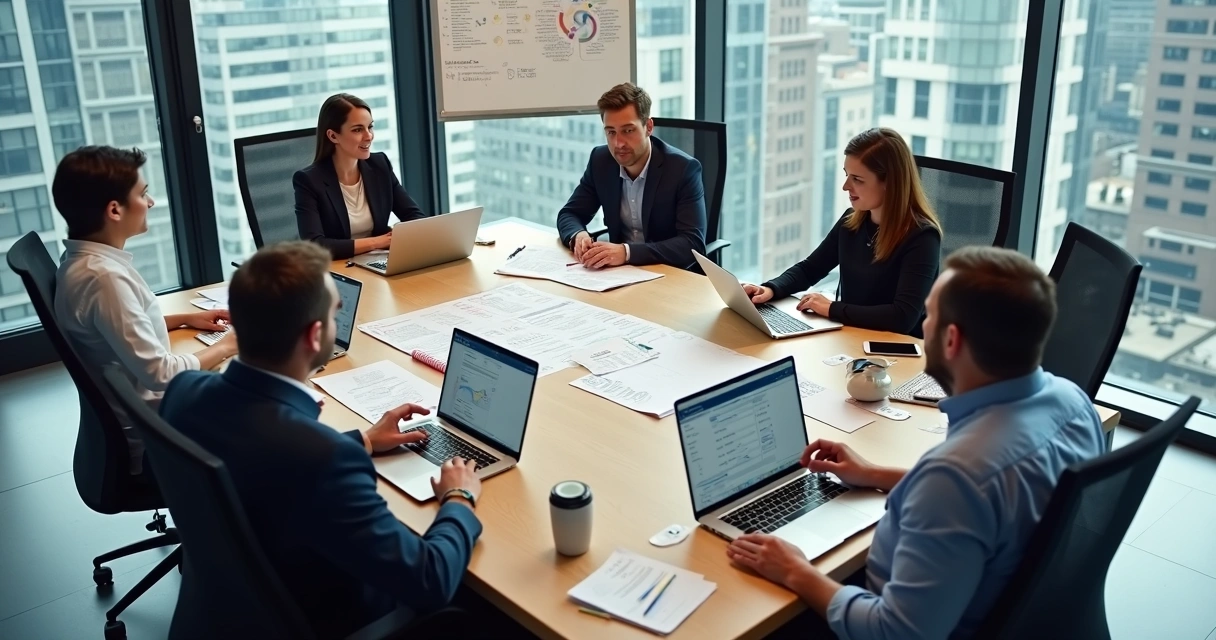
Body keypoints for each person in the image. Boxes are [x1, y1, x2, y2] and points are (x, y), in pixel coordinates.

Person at [726, 246, 1105, 640]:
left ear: (951, 340)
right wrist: (874, 473)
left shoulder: (955, 478)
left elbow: (895, 633)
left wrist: (796, 571)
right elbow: (1000, 492)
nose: (923, 326)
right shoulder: (1074, 402)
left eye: (931, 315)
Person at [158, 241, 483, 638]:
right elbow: (429, 581)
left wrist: (361, 440)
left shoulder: (183, 392)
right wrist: (459, 499)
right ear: (315, 336)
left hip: (213, 615)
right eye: (335, 315)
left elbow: (262, 461)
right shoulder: (322, 459)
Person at [52, 146, 236, 473]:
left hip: (152, 412)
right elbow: (161, 374)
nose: (150, 203)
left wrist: (185, 319)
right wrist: (230, 345)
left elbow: (113, 332)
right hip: (162, 433)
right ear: (114, 210)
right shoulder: (103, 279)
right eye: (143, 194)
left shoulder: (84, 260)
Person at [744, 128, 941, 336]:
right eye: (847, 175)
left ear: (889, 183)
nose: (846, 186)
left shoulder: (922, 237)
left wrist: (830, 308)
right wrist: (770, 289)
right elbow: (810, 269)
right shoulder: (852, 221)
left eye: (857, 179)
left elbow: (902, 317)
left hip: (894, 352)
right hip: (850, 336)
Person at [556, 82, 707, 269]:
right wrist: (578, 235)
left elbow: (692, 245)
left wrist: (627, 253)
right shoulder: (601, 161)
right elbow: (570, 213)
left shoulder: (683, 169)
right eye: (611, 132)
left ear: (648, 127)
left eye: (628, 130)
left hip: (669, 274)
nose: (618, 143)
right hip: (619, 275)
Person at [294, 93, 426, 260]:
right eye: (358, 130)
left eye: (370, 127)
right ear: (333, 136)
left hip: (377, 261)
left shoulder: (379, 166)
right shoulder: (309, 181)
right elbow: (314, 245)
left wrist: (399, 237)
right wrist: (377, 242)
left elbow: (414, 216)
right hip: (338, 270)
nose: (368, 136)